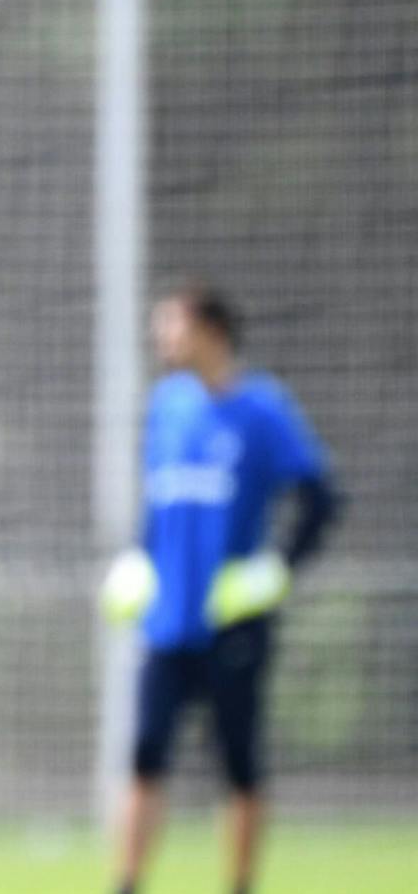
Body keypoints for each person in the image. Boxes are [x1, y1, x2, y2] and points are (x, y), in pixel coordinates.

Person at [107, 284, 340, 894]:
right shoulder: (166, 406)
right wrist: (138, 557)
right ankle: (126, 882)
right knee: (145, 755)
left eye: (173, 327)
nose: (162, 340)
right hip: (167, 623)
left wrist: (279, 569)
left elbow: (321, 499)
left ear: (209, 331)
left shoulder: (263, 410)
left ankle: (239, 884)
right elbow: (157, 507)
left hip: (233, 626)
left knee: (237, 764)